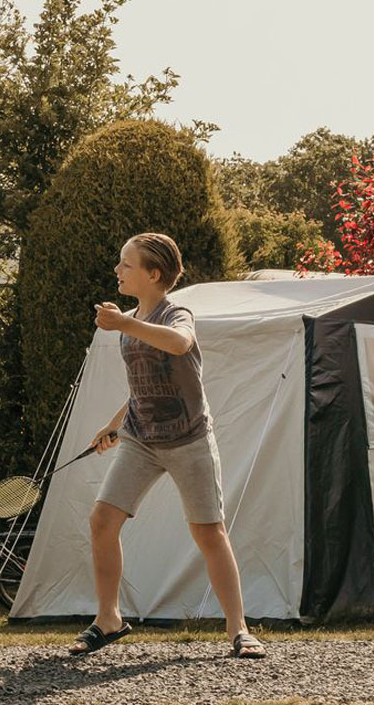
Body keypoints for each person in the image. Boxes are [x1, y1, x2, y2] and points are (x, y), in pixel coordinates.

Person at [69, 233, 266, 660]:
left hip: (188, 439)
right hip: (141, 439)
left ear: (153, 274)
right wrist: (113, 426)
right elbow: (142, 385)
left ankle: (239, 628)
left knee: (208, 532)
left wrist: (123, 324)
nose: (117, 270)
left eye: (126, 264)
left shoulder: (176, 314)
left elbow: (179, 343)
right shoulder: (131, 320)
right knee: (102, 520)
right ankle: (109, 619)